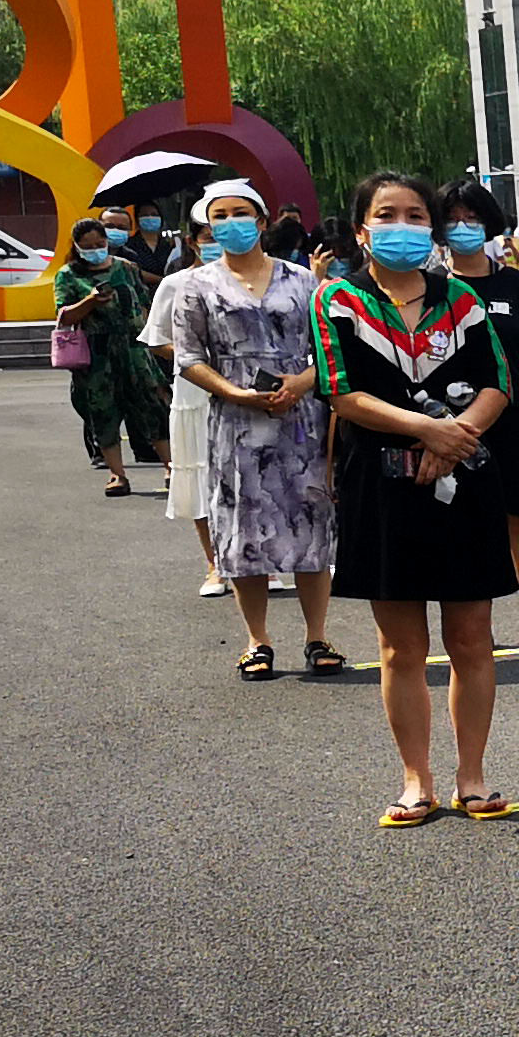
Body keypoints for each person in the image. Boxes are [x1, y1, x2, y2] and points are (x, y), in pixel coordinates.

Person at [317, 171, 517, 823]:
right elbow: (343, 394)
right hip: (380, 488)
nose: (401, 226)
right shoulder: (338, 301)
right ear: (361, 229)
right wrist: (424, 427)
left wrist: (454, 437)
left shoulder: (461, 298)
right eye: (386, 214)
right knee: (401, 647)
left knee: (472, 637)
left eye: (413, 215)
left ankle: (474, 776)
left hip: (465, 484)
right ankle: (415, 779)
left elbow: (497, 383)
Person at [173, 180, 342, 677]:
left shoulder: (304, 282)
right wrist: (235, 393)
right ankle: (257, 639)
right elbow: (188, 358)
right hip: (238, 422)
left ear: (264, 221)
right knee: (244, 527)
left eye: (241, 213)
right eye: (219, 216)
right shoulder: (196, 285)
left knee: (311, 523)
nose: (231, 223)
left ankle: (318, 635)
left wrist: (303, 382)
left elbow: (329, 349)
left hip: (301, 420)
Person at [438, 176, 519, 653]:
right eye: (452, 220)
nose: (463, 227)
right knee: (466, 520)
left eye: (472, 218)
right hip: (452, 422)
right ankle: (476, 619)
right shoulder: (431, 289)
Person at [51, 215, 169, 498]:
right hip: (97, 355)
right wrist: (90, 301)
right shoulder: (69, 275)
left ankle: (171, 468)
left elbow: (143, 305)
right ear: (77, 246)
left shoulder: (127, 268)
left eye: (100, 243)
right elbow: (64, 315)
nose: (95, 249)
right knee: (103, 412)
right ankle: (117, 475)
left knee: (153, 407)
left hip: (134, 350)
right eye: (88, 245)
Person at [141, 215, 224, 594]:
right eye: (210, 236)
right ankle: (214, 564)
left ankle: (259, 561)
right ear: (192, 241)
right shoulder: (175, 284)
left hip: (248, 393)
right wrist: (196, 360)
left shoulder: (255, 281)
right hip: (194, 393)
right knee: (199, 474)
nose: (218, 242)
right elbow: (155, 339)